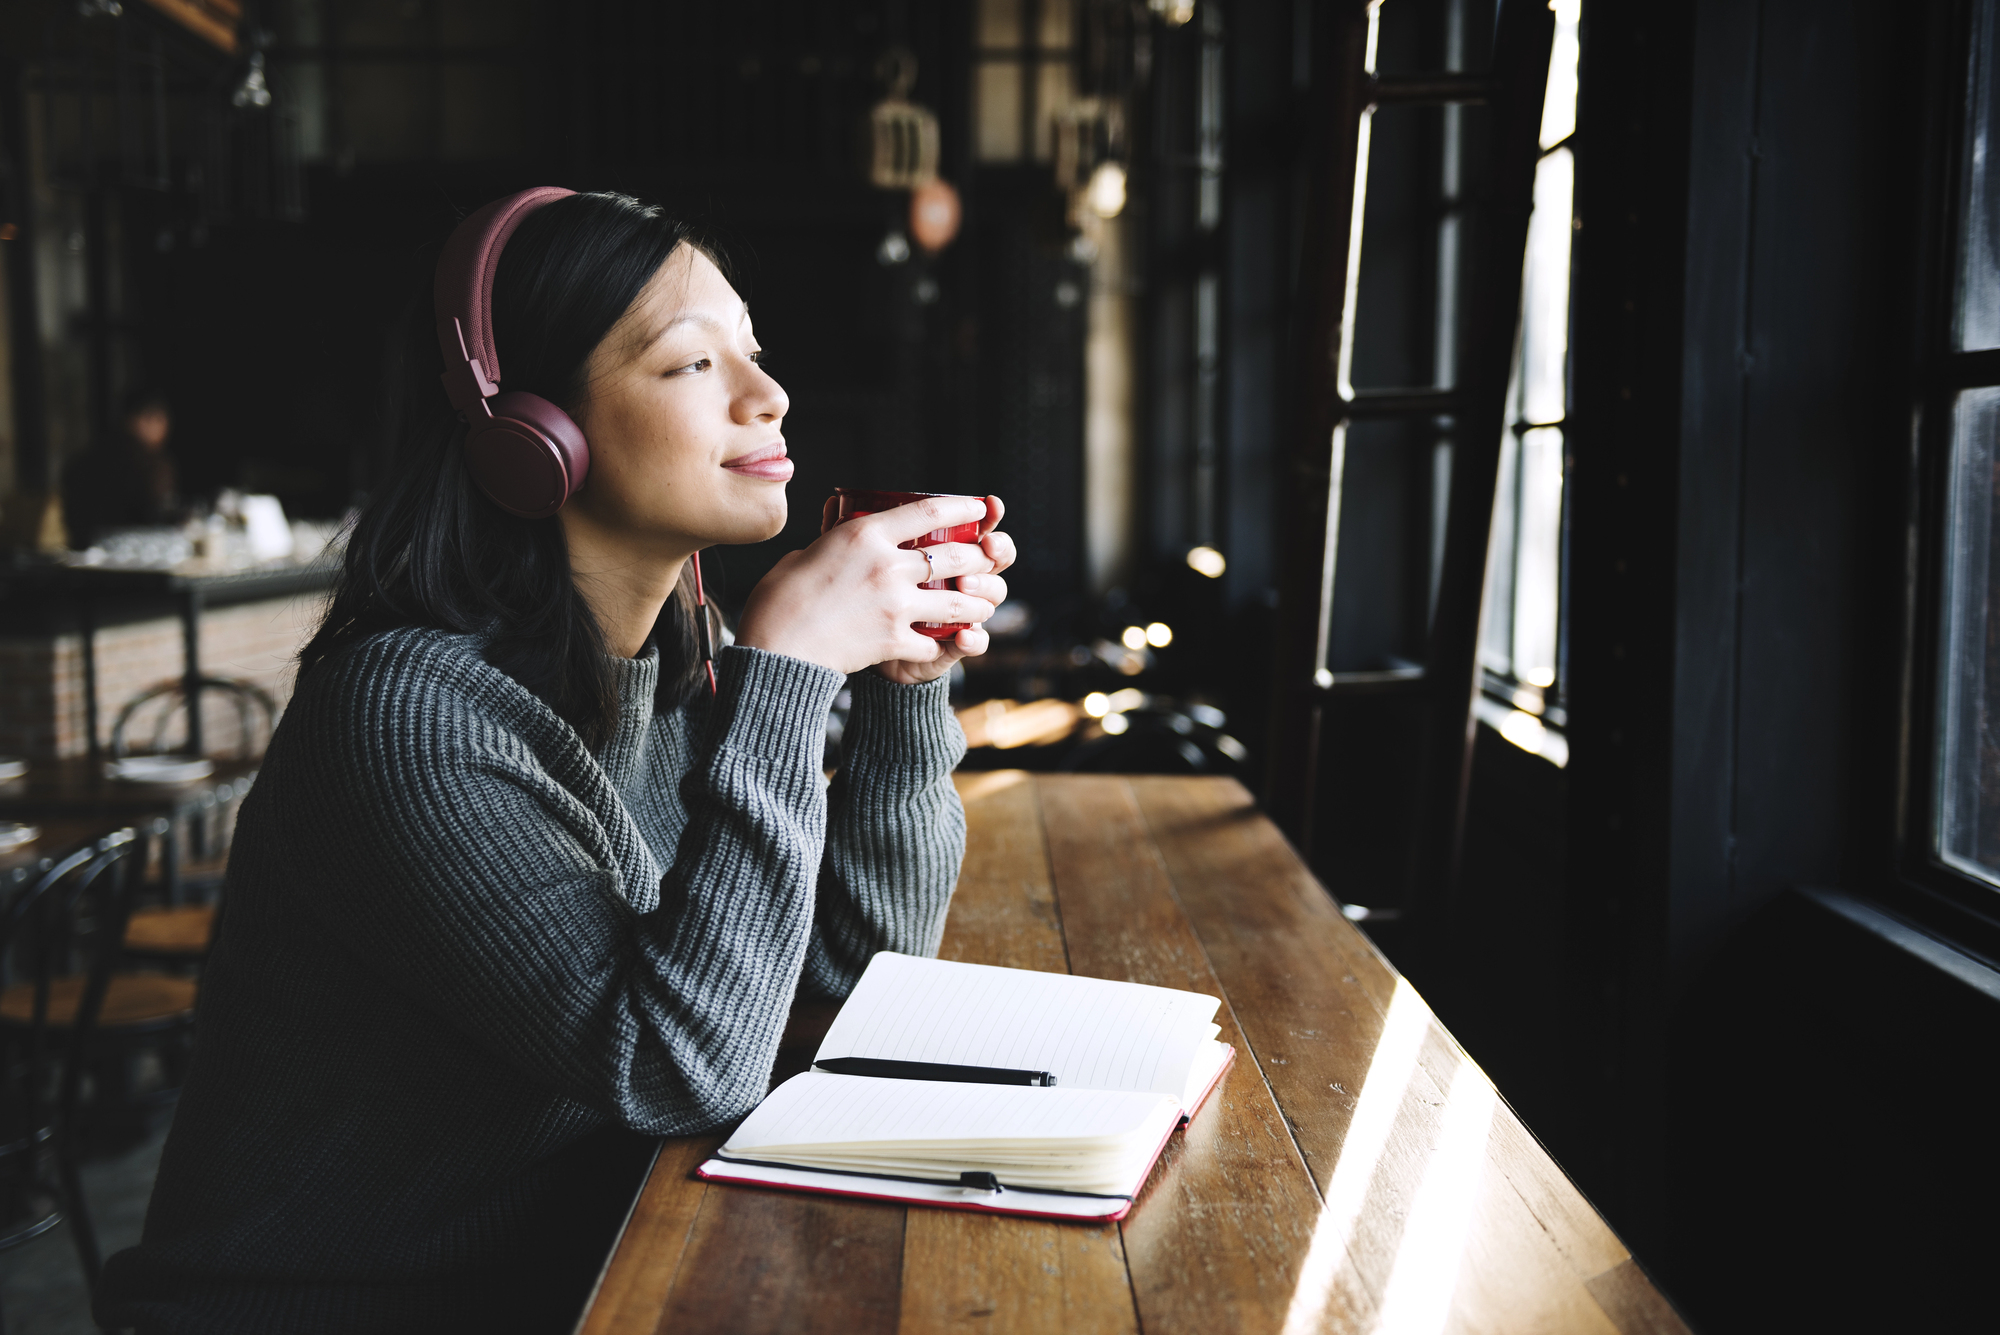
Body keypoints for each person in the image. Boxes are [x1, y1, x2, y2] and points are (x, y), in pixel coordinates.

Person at [95, 190, 1014, 1333]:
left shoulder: (684, 662)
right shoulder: (407, 716)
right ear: (532, 434)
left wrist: (901, 701)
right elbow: (680, 1069)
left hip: (577, 1272)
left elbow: (845, 992)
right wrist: (787, 674)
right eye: (690, 365)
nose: (767, 396)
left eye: (753, 350)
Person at [61, 388, 181, 548]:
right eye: (161, 420)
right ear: (144, 419)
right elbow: (159, 515)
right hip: (137, 557)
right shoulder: (151, 464)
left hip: (85, 555)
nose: (165, 430)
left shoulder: (83, 460)